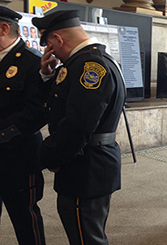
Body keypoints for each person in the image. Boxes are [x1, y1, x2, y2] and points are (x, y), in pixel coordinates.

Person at [33, 10, 126, 244]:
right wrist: (46, 75)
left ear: (58, 39)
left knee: (86, 238)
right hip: (90, 164)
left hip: (85, 167)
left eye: (50, 45)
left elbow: (78, 126)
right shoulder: (88, 61)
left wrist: (52, 157)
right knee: (87, 234)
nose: (51, 52)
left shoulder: (90, 66)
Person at [0, 7, 48, 245]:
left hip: (18, 156)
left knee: (24, 218)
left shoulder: (32, 62)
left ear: (3, 28)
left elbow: (36, 113)